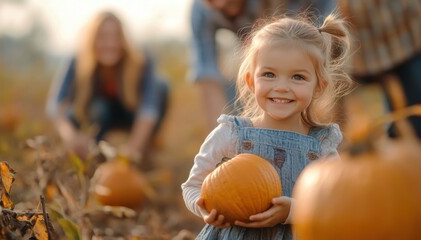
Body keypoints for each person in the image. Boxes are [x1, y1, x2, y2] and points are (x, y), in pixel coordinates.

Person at [182, 12, 354, 239]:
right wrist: (204, 207)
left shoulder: (321, 144)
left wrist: (293, 210)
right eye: (269, 74)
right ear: (251, 81)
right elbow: (192, 186)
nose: (281, 87)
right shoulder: (231, 133)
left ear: (318, 86)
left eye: (298, 77)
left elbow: (334, 203)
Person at [189, 0, 337, 131]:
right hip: (263, 54)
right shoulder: (202, 10)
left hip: (312, 31)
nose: (221, 4)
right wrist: (219, 137)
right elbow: (207, 75)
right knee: (238, 92)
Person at [46, 11, 169, 163]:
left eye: (116, 36)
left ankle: (146, 147)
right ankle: (92, 157)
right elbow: (57, 105)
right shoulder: (77, 60)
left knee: (162, 85)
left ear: (123, 39)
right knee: (98, 109)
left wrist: (131, 150)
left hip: (130, 113)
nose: (110, 43)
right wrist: (71, 137)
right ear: (92, 39)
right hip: (98, 115)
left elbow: (149, 109)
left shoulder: (140, 60)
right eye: (103, 37)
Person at [337, 0, 421, 138]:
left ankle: (403, 139)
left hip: (406, 32)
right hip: (370, 43)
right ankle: (394, 139)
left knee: (413, 95)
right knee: (383, 111)